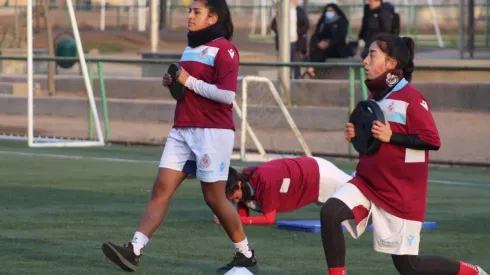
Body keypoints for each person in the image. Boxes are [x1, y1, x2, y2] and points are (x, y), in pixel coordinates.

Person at [101, 0, 258, 273]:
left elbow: (226, 95)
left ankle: (245, 254)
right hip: (182, 128)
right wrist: (174, 83)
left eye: (196, 11)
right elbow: (188, 85)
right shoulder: (190, 48)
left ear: (213, 17)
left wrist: (188, 82)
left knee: (215, 198)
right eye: (190, 10)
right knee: (161, 189)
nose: (190, 15)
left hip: (212, 132)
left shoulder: (226, 50)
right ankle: (134, 250)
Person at [319, 33, 488, 275]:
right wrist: (357, 135)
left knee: (409, 267)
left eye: (372, 54)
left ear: (391, 64)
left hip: (401, 195)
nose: (364, 60)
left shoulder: (412, 98)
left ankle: (471, 272)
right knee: (330, 212)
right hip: (367, 183)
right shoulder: (375, 97)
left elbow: (432, 140)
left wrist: (392, 137)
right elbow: (371, 144)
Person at [213, 156, 352, 225]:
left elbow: (269, 219)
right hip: (309, 173)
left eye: (233, 196)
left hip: (319, 176)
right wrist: (231, 218)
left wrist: (238, 219)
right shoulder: (245, 180)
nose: (234, 200)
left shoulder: (265, 182)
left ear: (238, 184)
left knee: (359, 193)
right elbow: (242, 211)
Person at [304, 3, 352, 78]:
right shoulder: (322, 22)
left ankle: (311, 69)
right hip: (321, 46)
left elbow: (340, 37)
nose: (328, 12)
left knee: (320, 51)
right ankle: (311, 69)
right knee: (317, 48)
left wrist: (328, 43)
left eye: (331, 10)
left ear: (336, 11)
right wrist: (319, 43)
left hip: (336, 47)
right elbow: (317, 34)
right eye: (327, 11)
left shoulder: (342, 21)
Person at [270, 0, 309, 79]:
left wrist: (298, 32)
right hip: (284, 43)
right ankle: (285, 78)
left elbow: (306, 25)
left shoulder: (300, 11)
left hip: (296, 42)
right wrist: (281, 32)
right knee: (285, 63)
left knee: (296, 61)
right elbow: (274, 24)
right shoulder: (283, 10)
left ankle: (297, 79)